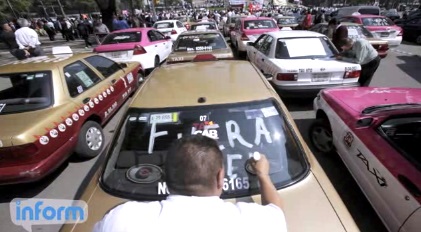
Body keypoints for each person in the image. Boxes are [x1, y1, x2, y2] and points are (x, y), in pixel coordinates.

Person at [93, 135, 286, 232]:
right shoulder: (255, 222)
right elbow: (276, 211)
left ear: (166, 177)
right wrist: (262, 175)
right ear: (221, 178)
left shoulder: (122, 219)